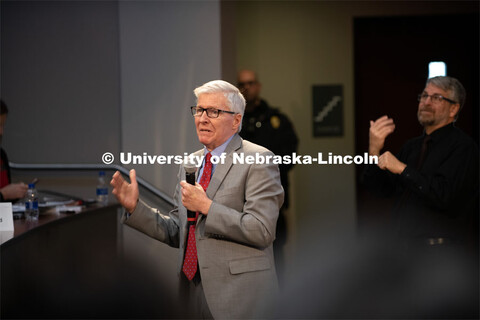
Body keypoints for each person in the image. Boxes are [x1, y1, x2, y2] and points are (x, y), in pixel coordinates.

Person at [110, 80, 283, 319]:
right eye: (199, 110)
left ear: (236, 120)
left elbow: (262, 230)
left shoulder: (259, 159)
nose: (202, 118)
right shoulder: (190, 163)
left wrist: (207, 207)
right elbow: (179, 231)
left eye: (213, 112)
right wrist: (136, 208)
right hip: (192, 293)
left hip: (241, 296)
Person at [363, 75, 479, 248]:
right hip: (403, 249)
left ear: (453, 109)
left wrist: (403, 169)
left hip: (441, 252)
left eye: (437, 98)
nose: (426, 102)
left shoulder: (463, 147)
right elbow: (380, 190)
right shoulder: (412, 147)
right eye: (424, 96)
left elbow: (444, 196)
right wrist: (373, 150)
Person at [237, 69, 298, 281]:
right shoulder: (234, 122)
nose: (247, 87)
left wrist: (262, 170)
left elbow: (290, 155)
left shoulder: (277, 120)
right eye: (242, 83)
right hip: (238, 202)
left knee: (275, 257)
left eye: (251, 83)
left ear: (258, 86)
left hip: (272, 200)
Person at [0, 99, 28, 202]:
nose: (1, 132)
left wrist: (17, 192)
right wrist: (4, 194)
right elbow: (4, 195)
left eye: (3, 125)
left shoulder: (2, 155)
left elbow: (6, 202)